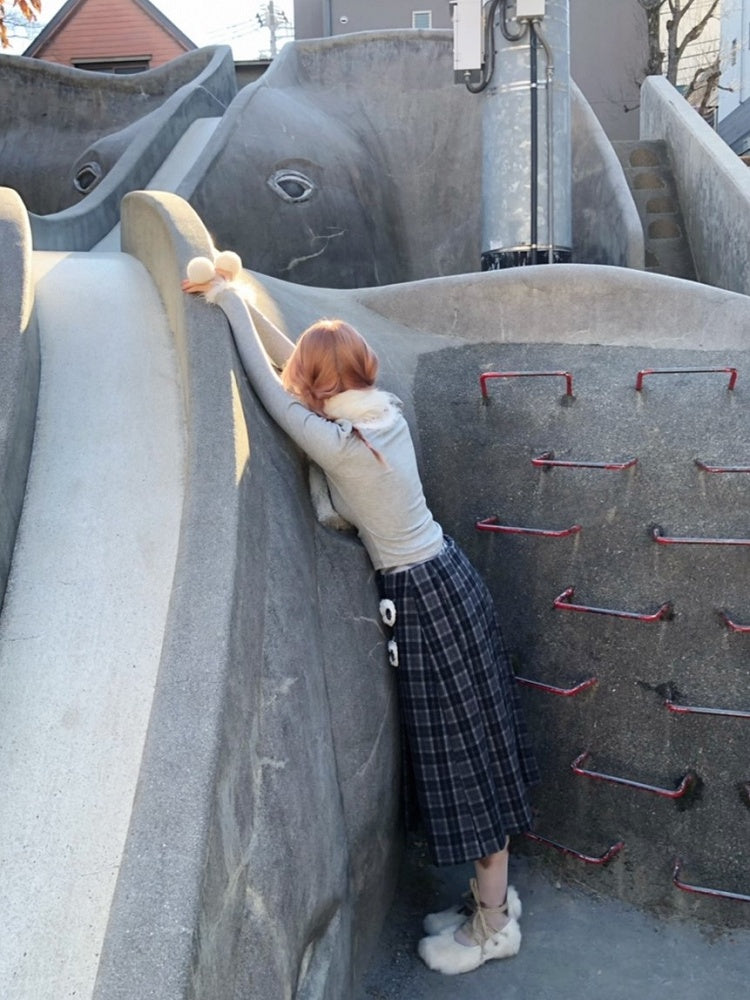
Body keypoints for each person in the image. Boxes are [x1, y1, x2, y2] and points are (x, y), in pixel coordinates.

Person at [182, 253, 539, 976]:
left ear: (324, 386)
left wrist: (226, 302)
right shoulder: (378, 414)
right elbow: (297, 371)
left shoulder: (341, 448)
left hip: (424, 600)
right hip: (449, 581)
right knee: (480, 750)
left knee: (464, 767)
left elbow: (273, 386)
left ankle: (495, 925)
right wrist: (235, 293)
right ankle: (487, 900)